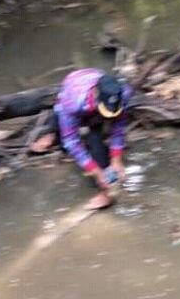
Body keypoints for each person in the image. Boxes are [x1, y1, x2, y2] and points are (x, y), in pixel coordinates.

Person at [31, 68, 132, 210]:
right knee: (61, 115)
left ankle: (107, 193)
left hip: (94, 76)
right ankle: (52, 134)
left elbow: (119, 127)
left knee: (96, 140)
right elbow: (71, 142)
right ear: (96, 96)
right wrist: (96, 172)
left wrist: (116, 159)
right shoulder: (73, 102)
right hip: (72, 85)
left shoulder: (125, 93)